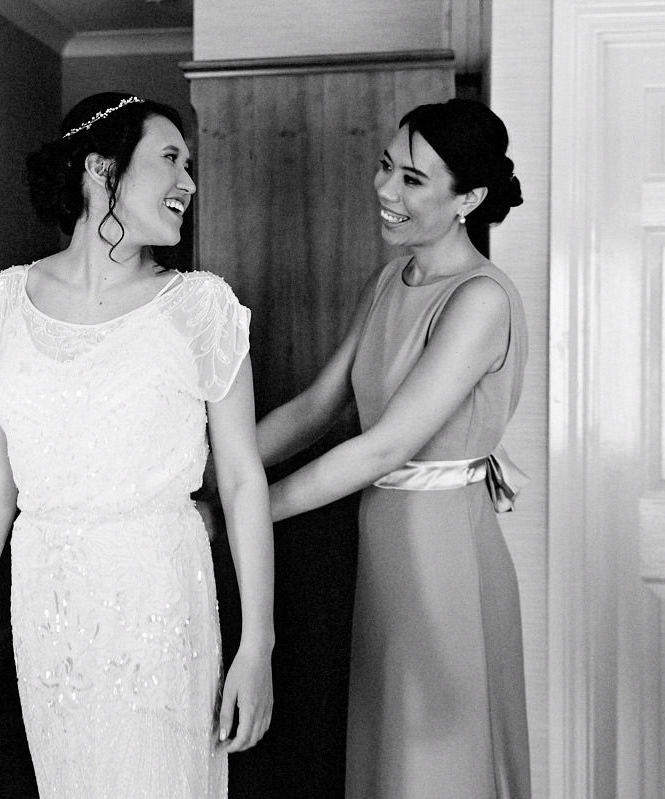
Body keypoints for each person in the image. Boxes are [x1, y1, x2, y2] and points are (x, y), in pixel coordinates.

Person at [0, 92, 275, 798]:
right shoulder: (3, 303)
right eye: (170, 159)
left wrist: (258, 642)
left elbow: (244, 481)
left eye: (191, 165)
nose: (189, 181)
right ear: (101, 169)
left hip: (158, 594)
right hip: (47, 602)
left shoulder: (200, 307)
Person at [257, 98, 530, 798]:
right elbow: (318, 406)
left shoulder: (481, 300)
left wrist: (246, 509)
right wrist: (202, 470)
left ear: (467, 197)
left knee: (435, 759)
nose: (384, 188)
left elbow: (384, 448)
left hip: (443, 555)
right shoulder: (389, 280)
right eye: (385, 165)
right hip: (383, 544)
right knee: (387, 753)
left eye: (412, 179)